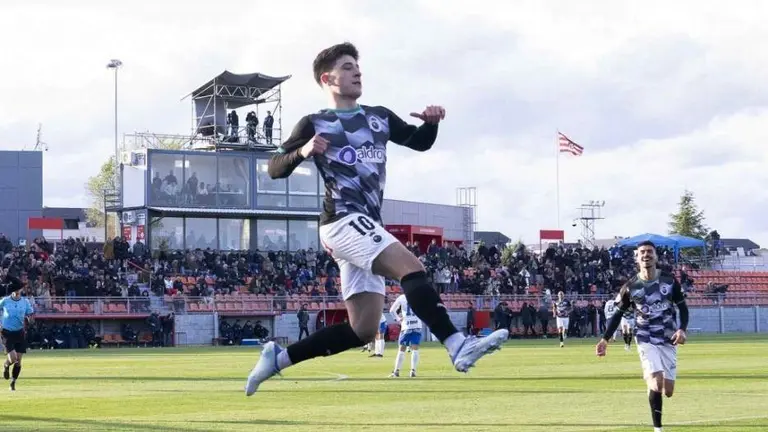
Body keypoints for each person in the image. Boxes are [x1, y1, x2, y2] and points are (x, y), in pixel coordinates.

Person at [245, 42, 508, 396]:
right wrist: (304, 151)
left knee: (364, 330)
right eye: (349, 66)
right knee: (411, 267)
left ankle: (278, 359)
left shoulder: (378, 116)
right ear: (328, 78)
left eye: (358, 67)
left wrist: (431, 124)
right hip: (341, 221)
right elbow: (274, 167)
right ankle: (456, 344)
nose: (358, 72)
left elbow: (419, 142)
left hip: (366, 225)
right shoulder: (314, 122)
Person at [596, 241, 689, 432]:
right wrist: (605, 339)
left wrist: (682, 329)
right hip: (645, 338)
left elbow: (682, 307)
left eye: (649, 252)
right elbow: (618, 314)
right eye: (642, 253)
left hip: (668, 339)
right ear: (637, 258)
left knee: (668, 391)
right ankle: (658, 429)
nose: (646, 255)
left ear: (656, 256)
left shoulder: (669, 281)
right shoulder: (631, 286)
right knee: (656, 380)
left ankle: (651, 380)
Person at [1, 276, 34, 392]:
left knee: (18, 361)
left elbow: (30, 314)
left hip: (19, 332)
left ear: (20, 290)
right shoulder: (5, 301)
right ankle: (5, 366)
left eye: (18, 289)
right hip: (7, 332)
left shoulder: (25, 302)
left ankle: (13, 383)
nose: (16, 291)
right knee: (13, 358)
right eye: (14, 289)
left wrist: (30, 319)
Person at [389, 294, 421, 378]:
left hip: (406, 326)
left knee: (401, 349)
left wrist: (398, 319)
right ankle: (413, 371)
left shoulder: (402, 297)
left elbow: (392, 310)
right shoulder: (419, 295)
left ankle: (396, 371)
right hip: (417, 325)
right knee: (415, 349)